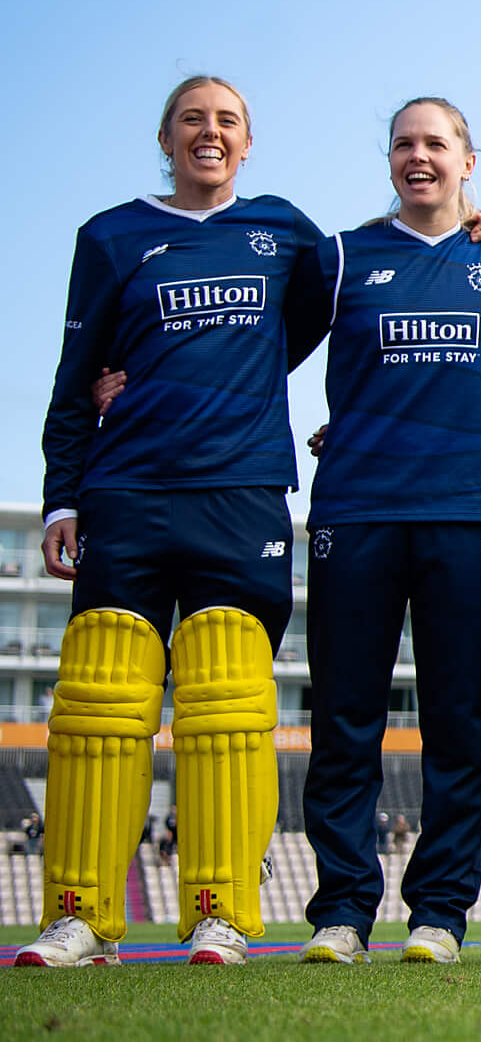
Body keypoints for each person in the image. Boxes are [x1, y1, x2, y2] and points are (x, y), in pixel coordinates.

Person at [19, 78, 333, 969]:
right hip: (128, 493)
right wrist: (63, 495)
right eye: (193, 119)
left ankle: (221, 914)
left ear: (247, 141)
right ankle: (81, 918)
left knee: (227, 702)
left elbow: (350, 308)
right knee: (102, 700)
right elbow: (77, 374)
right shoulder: (111, 235)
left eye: (226, 120)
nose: (209, 132)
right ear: (165, 136)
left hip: (243, 494)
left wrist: (480, 225)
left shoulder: (284, 231)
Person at [292, 98, 481, 967]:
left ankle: (439, 912)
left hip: (466, 512)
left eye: (437, 143)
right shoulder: (343, 256)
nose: (419, 156)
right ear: (389, 160)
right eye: (404, 144)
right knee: (346, 720)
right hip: (356, 510)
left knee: (457, 722)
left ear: (470, 160)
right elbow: (255, 346)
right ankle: (342, 912)